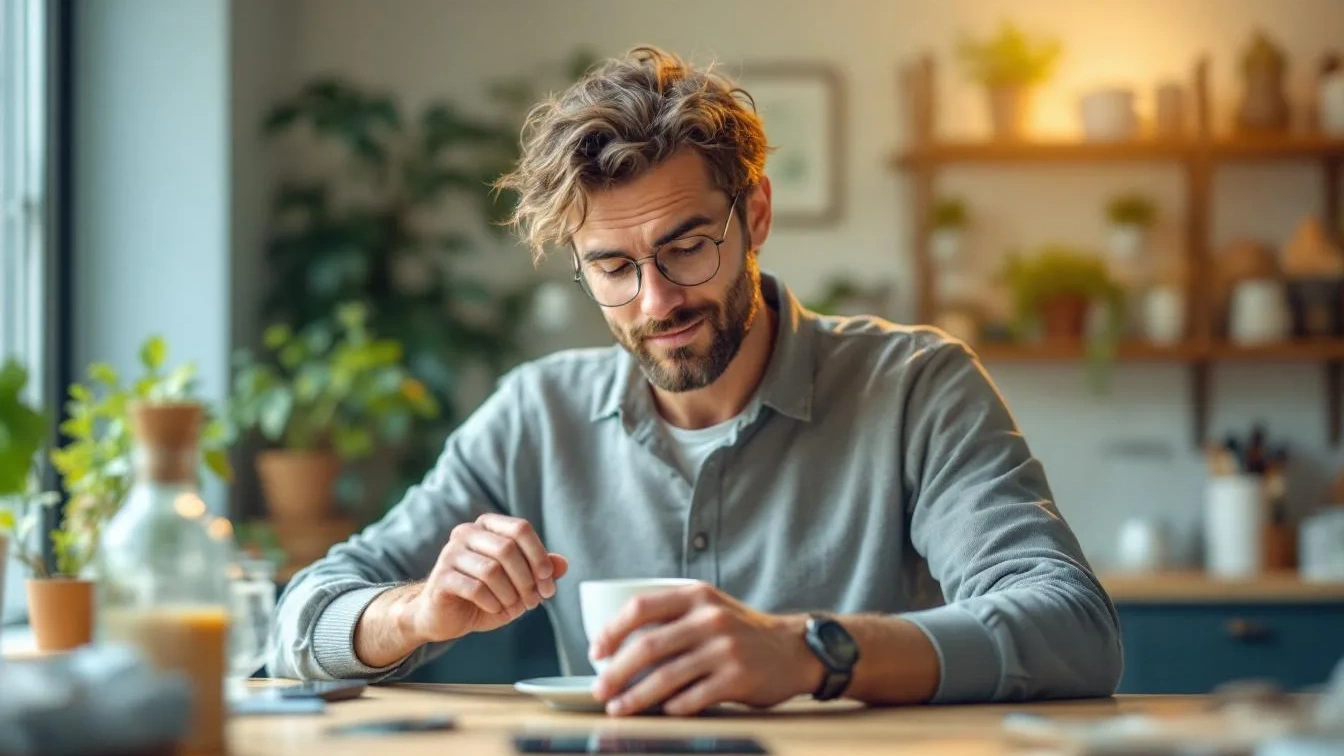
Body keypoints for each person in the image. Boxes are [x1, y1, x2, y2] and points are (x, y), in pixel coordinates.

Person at [267, 45, 1123, 716]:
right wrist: (415, 613)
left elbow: (1072, 628)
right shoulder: (534, 414)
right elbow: (298, 618)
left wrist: (808, 651)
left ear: (754, 214)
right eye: (611, 267)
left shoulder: (915, 387)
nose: (656, 301)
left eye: (686, 247)